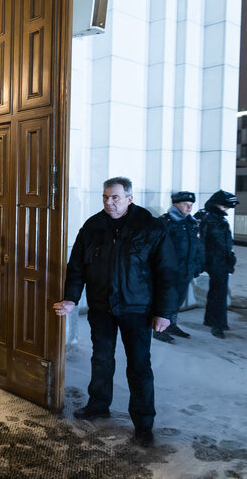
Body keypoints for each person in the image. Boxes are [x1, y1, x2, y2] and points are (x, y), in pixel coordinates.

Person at [54, 177, 176, 448]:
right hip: (101, 307)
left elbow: (167, 272)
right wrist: (71, 299)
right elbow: (77, 267)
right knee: (101, 359)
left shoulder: (150, 226)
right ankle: (98, 405)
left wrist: (164, 312)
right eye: (105, 197)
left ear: (129, 199)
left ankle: (144, 423)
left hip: (137, 310)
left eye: (115, 197)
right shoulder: (93, 226)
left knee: (139, 366)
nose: (109, 202)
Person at [154, 191, 204, 342]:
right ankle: (158, 329)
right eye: (185, 204)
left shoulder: (191, 223)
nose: (189, 208)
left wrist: (196, 266)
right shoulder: (165, 222)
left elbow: (196, 247)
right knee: (165, 301)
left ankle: (171, 324)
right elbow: (158, 248)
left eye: (191, 205)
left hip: (186, 271)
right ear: (175, 204)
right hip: (169, 272)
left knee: (178, 300)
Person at [199, 190, 239, 338]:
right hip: (214, 261)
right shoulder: (208, 218)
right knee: (219, 293)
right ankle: (217, 325)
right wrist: (201, 263)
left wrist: (230, 256)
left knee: (217, 291)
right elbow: (201, 242)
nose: (226, 210)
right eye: (224, 207)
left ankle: (212, 321)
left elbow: (225, 242)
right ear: (216, 204)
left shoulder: (219, 218)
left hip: (222, 260)